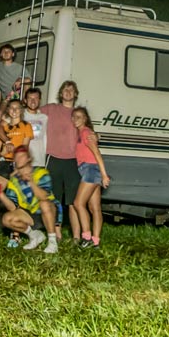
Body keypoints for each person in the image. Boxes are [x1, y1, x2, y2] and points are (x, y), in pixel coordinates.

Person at [0, 147, 59, 253]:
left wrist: (31, 182)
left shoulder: (41, 172)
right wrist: (0, 194)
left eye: (22, 156)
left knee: (44, 204)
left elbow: (44, 197)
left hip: (49, 211)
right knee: (7, 219)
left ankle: (52, 242)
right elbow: (12, 207)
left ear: (28, 159)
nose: (19, 159)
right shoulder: (14, 180)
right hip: (29, 214)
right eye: (17, 157)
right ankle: (34, 235)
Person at [41, 80, 82, 243]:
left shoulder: (78, 113)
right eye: (65, 89)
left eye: (71, 90)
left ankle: (77, 237)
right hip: (53, 158)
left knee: (73, 201)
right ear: (60, 93)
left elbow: (88, 130)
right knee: (54, 199)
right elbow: (30, 112)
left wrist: (96, 136)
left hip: (73, 160)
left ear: (75, 94)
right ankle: (56, 234)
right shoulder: (51, 109)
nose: (68, 92)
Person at [72, 106, 110, 248]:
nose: (76, 119)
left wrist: (104, 175)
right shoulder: (80, 133)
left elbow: (97, 153)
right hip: (88, 170)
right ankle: (96, 241)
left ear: (85, 119)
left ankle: (86, 237)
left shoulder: (86, 133)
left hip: (91, 169)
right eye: (74, 116)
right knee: (94, 207)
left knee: (78, 203)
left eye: (79, 117)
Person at [0, 98, 32, 179]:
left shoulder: (26, 125)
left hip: (19, 163)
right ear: (8, 110)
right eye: (11, 108)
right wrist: (0, 154)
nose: (14, 110)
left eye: (17, 108)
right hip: (4, 163)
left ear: (21, 110)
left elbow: (25, 147)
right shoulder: (3, 128)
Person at [0, 44, 30, 122]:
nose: (6, 53)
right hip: (7, 98)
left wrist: (20, 80)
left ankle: (24, 103)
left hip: (18, 96)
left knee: (26, 82)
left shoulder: (20, 67)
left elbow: (29, 80)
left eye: (8, 51)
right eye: (4, 51)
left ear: (13, 54)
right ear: (1, 54)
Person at [22, 87, 49, 168]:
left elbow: (46, 138)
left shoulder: (44, 117)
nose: (33, 101)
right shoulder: (20, 115)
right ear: (25, 100)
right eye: (30, 98)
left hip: (39, 161)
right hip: (23, 162)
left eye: (36, 98)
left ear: (39, 100)